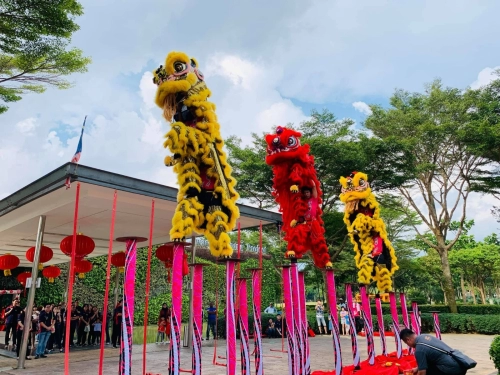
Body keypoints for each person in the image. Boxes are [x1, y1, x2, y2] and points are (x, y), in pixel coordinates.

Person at [400, 328, 468, 375]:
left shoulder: (419, 350)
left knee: (427, 372)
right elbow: (429, 357)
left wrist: (419, 371)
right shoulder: (425, 336)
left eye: (406, 343)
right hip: (460, 365)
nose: (408, 345)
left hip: (452, 370)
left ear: (408, 340)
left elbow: (422, 373)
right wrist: (416, 368)